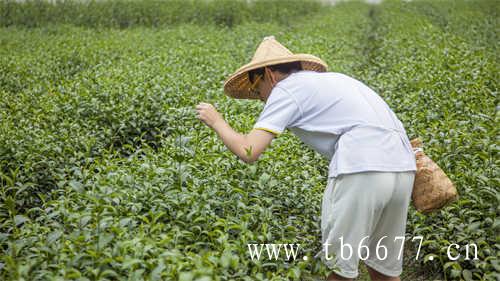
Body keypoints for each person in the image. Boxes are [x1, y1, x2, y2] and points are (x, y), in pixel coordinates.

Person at [195, 36, 416, 281]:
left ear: (269, 74)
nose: (262, 99)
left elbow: (249, 151)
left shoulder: (286, 89)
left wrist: (217, 122)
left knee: (340, 268)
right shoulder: (337, 80)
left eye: (258, 91)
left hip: (362, 169)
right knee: (383, 268)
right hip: (403, 168)